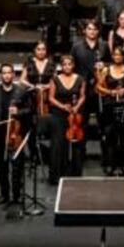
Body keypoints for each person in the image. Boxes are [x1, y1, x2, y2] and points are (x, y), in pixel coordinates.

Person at [0, 63, 32, 204]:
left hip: (16, 132)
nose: (7, 75)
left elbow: (29, 110)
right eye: (4, 73)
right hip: (0, 133)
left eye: (9, 72)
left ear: (13, 74)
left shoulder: (21, 91)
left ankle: (16, 195)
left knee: (17, 166)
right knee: (3, 165)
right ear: (0, 75)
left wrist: (18, 112)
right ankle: (5, 194)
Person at [97, 47, 124, 176]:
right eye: (115, 55)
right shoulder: (106, 70)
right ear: (112, 56)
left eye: (119, 55)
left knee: (123, 132)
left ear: (123, 56)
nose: (117, 57)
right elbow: (98, 86)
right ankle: (110, 163)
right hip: (110, 105)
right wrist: (110, 92)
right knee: (110, 132)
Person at [47, 55, 87, 183]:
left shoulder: (80, 79)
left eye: (69, 64)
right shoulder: (55, 79)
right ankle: (56, 175)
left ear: (73, 65)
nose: (67, 67)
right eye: (64, 65)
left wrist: (76, 107)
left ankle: (74, 174)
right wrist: (63, 106)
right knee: (58, 143)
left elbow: (82, 96)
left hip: (75, 114)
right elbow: (51, 98)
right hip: (58, 113)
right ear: (61, 66)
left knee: (76, 143)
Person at [71, 21, 109, 134]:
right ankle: (81, 143)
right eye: (89, 29)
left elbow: (111, 63)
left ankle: (105, 142)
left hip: (99, 87)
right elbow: (71, 66)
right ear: (84, 31)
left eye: (95, 29)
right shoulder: (76, 47)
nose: (92, 32)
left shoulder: (104, 45)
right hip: (82, 87)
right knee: (82, 119)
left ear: (98, 31)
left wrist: (104, 65)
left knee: (103, 118)